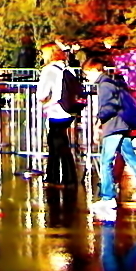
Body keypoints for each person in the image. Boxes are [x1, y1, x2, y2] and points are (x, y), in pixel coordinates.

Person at [85, 52, 136, 221]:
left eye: (87, 73)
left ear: (94, 70)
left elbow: (109, 107)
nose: (86, 77)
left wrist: (98, 121)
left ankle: (108, 197)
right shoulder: (113, 83)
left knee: (105, 162)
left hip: (114, 127)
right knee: (131, 158)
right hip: (122, 126)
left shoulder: (104, 85)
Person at [35, 42, 79, 188]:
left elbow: (42, 94)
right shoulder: (67, 69)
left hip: (55, 111)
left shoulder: (49, 70)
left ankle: (65, 178)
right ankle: (55, 176)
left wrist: (42, 102)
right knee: (58, 144)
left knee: (58, 145)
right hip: (69, 109)